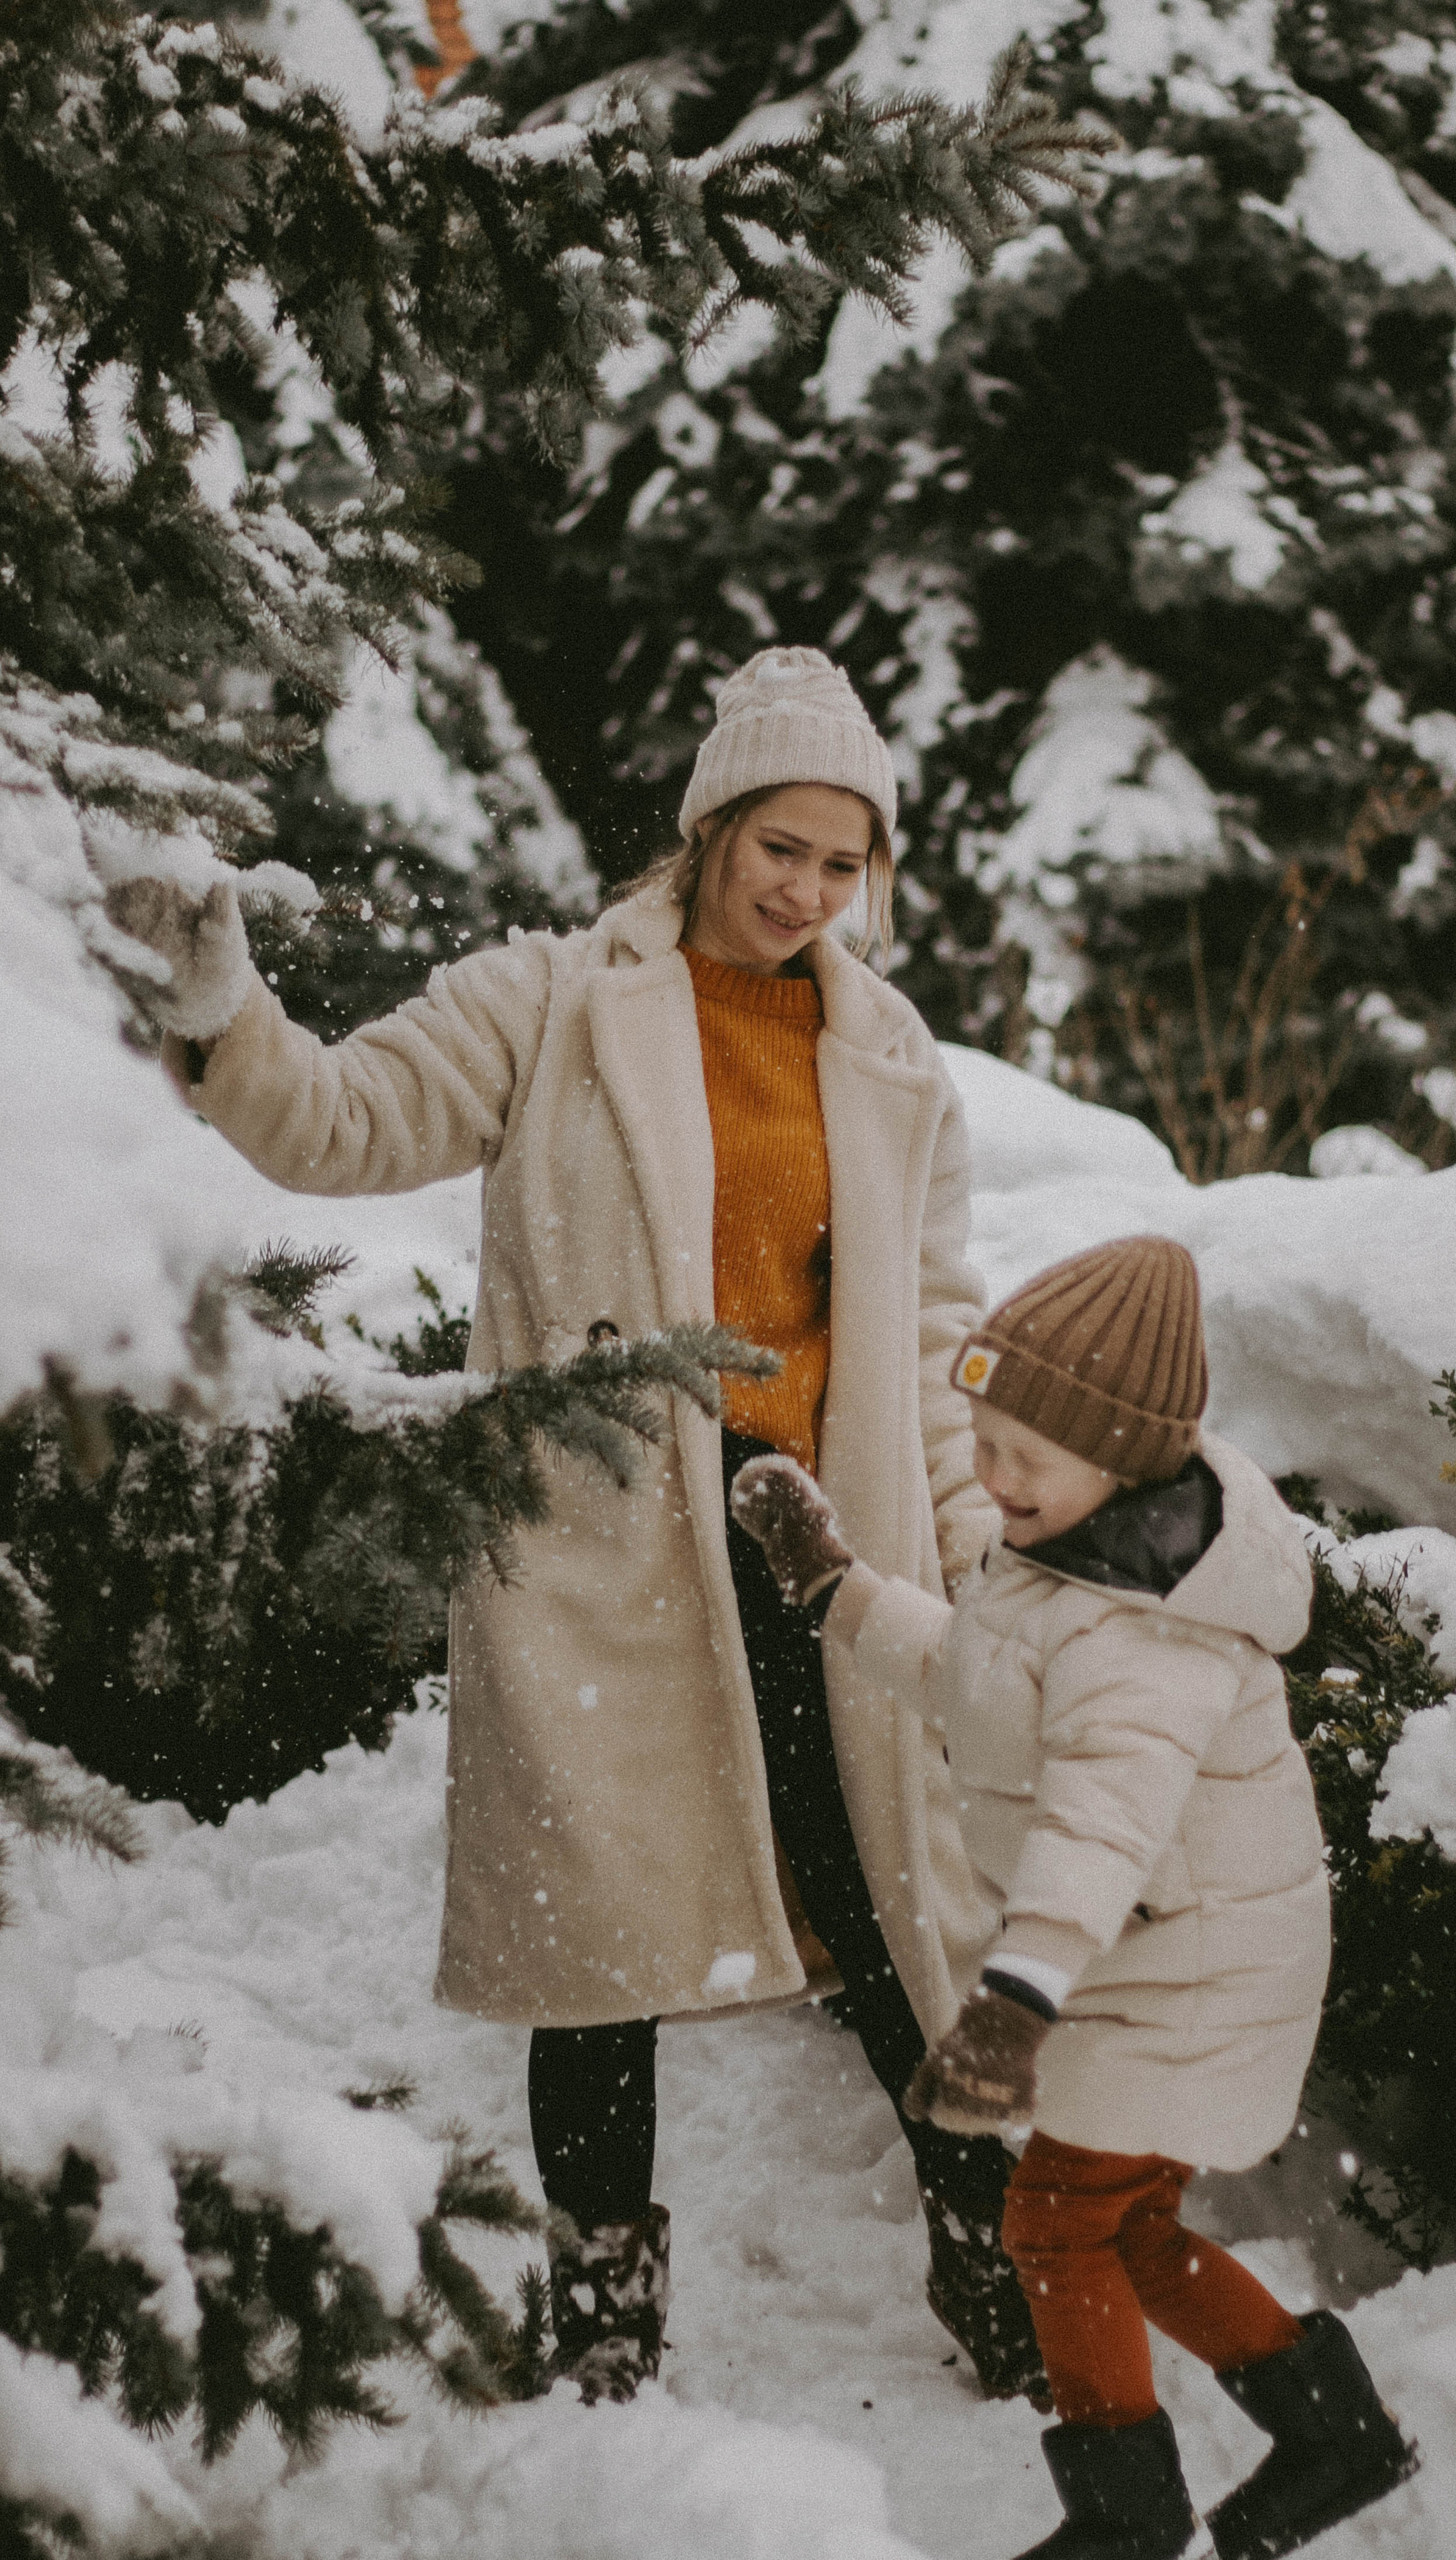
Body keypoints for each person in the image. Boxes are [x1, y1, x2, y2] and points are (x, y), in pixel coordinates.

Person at [104, 645, 1045, 2408]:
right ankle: (603, 2291)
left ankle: (991, 2250)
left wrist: (977, 1528)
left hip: (829, 1544)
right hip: (610, 1541)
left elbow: (926, 1323)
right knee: (597, 1939)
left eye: (846, 865)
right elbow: (336, 1121)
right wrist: (226, 1008)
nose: (809, 894)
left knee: (903, 1909)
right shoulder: (550, 1000)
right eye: (781, 849)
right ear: (706, 831)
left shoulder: (893, 1053)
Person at [731, 1235, 1419, 2560]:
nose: (990, 1479)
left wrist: (1013, 2001)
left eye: (1021, 1459)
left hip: (1185, 1974)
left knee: (1051, 2220)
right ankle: (1333, 2434)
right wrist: (835, 1587)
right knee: (1130, 2229)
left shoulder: (1147, 1631)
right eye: (979, 1441)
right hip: (1148, 1962)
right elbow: (975, 1686)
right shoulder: (1067, 1561)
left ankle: (1122, 2520)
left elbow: (1098, 1824)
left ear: (1119, 1457)